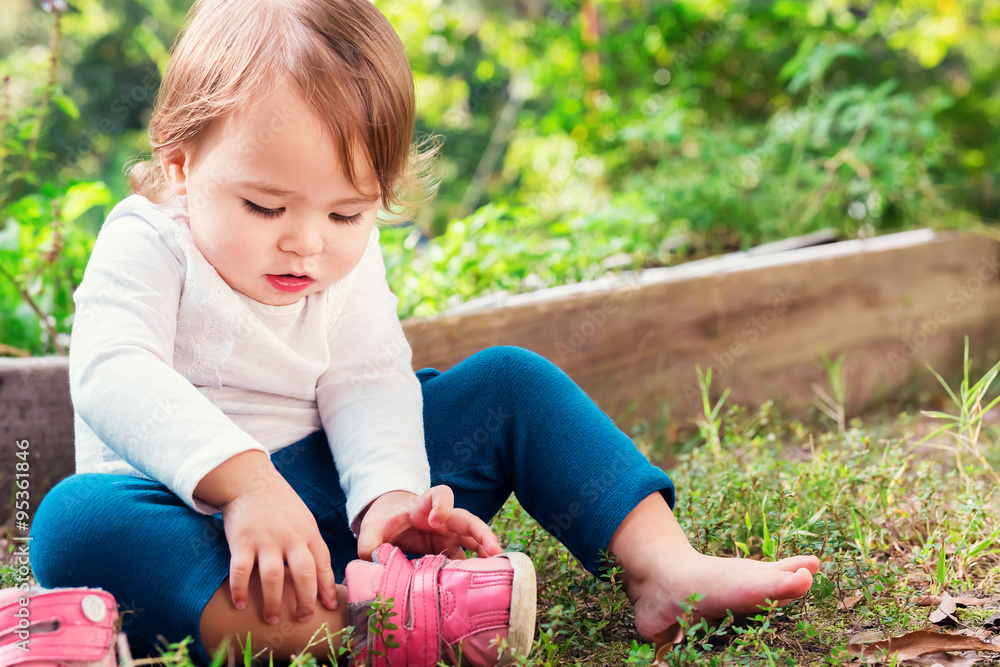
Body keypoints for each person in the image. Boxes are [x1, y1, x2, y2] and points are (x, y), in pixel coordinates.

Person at [27, 0, 820, 665]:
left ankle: (665, 570)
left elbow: (367, 376)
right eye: (266, 208)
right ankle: (370, 629)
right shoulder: (145, 242)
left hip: (342, 504)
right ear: (180, 164)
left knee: (508, 381)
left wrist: (392, 499)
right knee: (74, 524)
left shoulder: (344, 257)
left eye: (347, 211)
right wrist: (246, 486)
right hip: (209, 533)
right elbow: (113, 371)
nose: (308, 241)